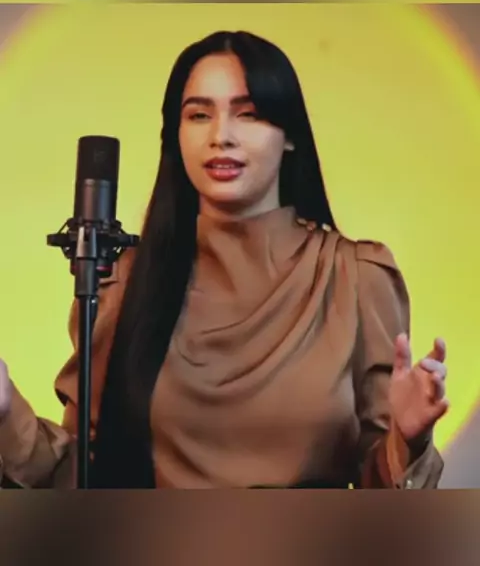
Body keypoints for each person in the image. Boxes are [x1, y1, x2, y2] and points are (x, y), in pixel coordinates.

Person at [0, 30, 448, 489]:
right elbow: (81, 480)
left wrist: (409, 440)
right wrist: (4, 410)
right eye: (199, 115)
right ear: (175, 136)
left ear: (290, 136)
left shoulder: (355, 278)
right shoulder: (124, 281)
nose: (221, 137)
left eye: (247, 114)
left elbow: (383, 496)